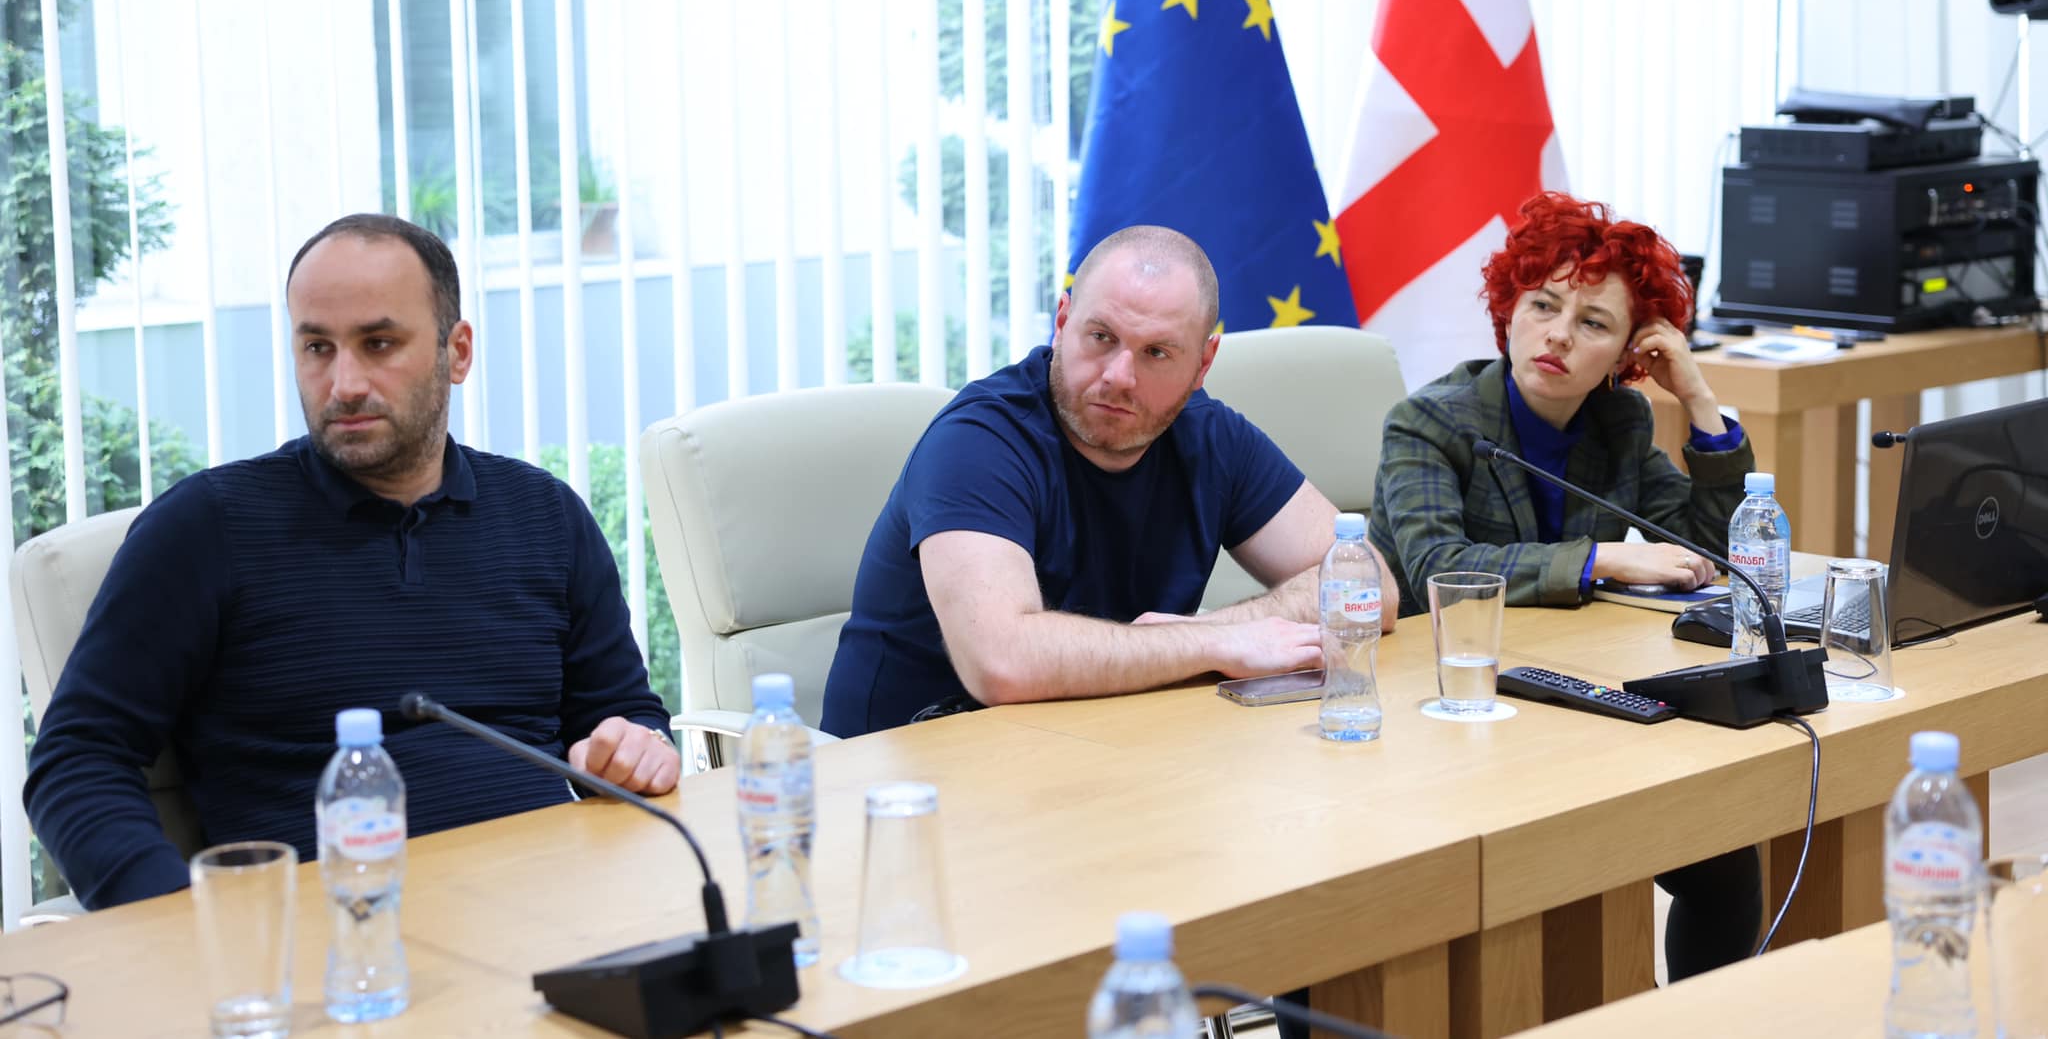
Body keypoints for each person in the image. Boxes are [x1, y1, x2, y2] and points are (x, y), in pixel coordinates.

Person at [24, 214, 679, 909]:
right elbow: (76, 763)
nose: (343, 383)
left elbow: (623, 714)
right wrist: (183, 923)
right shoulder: (205, 528)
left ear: (457, 353)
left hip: (552, 910)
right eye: (317, 347)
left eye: (379, 343)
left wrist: (636, 747)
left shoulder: (545, 514)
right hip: (335, 938)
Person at [1368, 190, 1762, 980]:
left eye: (1593, 323)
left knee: (1727, 862)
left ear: (1624, 356)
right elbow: (1440, 567)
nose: (1557, 335)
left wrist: (1697, 398)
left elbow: (1712, 548)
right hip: (1438, 715)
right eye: (1542, 305)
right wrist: (1602, 560)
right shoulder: (1430, 423)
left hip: (1566, 703)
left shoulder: (1619, 423)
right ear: (1509, 310)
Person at [822, 225, 1394, 738]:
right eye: (1101, 336)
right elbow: (1001, 662)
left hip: (1094, 748)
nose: (1119, 377)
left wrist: (1221, 629)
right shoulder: (978, 441)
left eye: (1156, 353)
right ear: (1062, 321)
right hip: (912, 771)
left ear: (1203, 364)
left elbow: (1372, 589)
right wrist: (1212, 642)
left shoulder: (1212, 438)